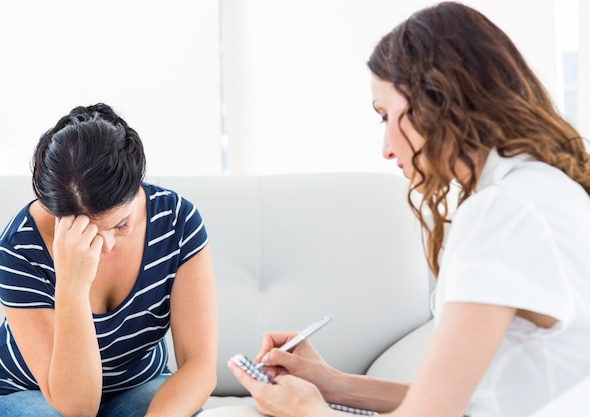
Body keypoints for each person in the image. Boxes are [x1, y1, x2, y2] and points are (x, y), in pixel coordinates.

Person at [226, 2, 590, 416]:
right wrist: (333, 384)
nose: (384, 149)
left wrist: (310, 412)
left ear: (438, 101)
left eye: (386, 115)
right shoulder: (544, 189)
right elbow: (459, 402)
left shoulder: (503, 213)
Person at [0, 103, 218, 417]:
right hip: (29, 394)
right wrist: (72, 287)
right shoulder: (18, 247)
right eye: (87, 232)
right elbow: (77, 408)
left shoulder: (176, 220)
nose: (106, 246)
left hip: (137, 386)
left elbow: (199, 366)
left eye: (121, 224)